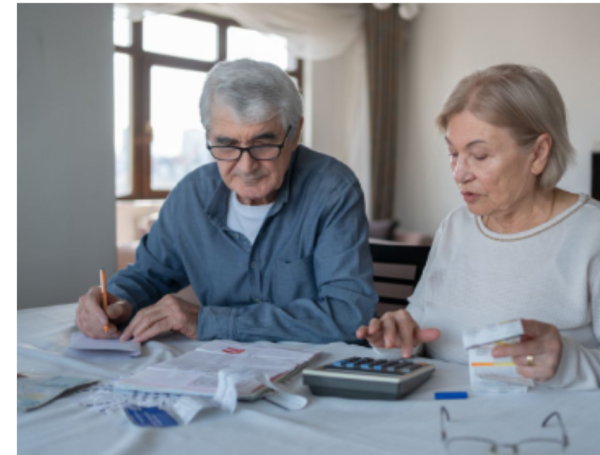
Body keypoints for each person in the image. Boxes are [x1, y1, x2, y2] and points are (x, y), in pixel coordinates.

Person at [76, 59, 377, 344]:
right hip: (216, 374)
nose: (246, 167)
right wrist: (112, 301)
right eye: (226, 144)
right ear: (209, 136)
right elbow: (147, 275)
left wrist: (210, 321)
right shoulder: (191, 195)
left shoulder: (332, 190)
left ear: (295, 132)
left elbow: (348, 316)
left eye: (263, 143)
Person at [357, 64, 600, 390]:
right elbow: (421, 327)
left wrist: (565, 360)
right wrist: (399, 337)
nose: (459, 173)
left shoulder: (590, 233)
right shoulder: (456, 225)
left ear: (538, 153)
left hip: (542, 430)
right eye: (453, 153)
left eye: (480, 156)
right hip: (439, 416)